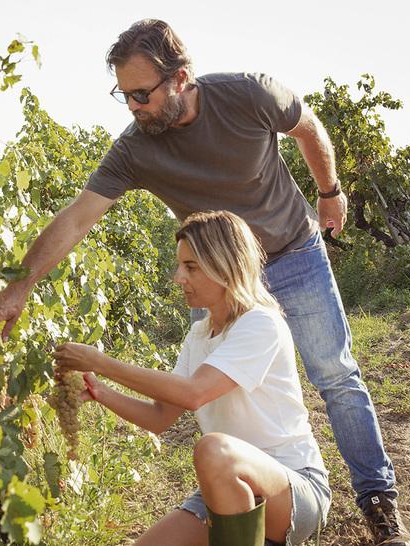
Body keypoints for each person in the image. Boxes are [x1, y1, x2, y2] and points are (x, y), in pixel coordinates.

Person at [0, 18, 410, 546]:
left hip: (292, 251)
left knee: (335, 376)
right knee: (207, 386)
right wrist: (19, 286)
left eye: (141, 94)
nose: (132, 107)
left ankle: (378, 502)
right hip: (218, 278)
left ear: (181, 79)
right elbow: (78, 217)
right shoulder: (136, 147)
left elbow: (308, 127)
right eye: (123, 96)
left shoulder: (248, 94)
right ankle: (236, 499)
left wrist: (330, 189)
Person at [55, 211, 330, 546]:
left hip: (292, 490)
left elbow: (194, 393)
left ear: (225, 265)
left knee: (213, 450)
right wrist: (100, 391)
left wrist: (100, 362)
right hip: (225, 486)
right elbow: (160, 417)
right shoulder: (199, 334)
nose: (178, 277)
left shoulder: (261, 324)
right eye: (180, 266)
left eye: (191, 267)